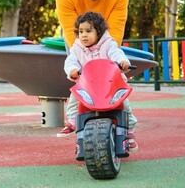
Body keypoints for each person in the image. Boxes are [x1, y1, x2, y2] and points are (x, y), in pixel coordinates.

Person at [58, 11, 138, 152]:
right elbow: (70, 62)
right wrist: (72, 70)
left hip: (110, 83)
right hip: (88, 84)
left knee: (124, 103)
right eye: (81, 31)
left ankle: (128, 129)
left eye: (88, 31)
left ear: (99, 32)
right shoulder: (77, 48)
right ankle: (72, 122)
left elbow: (117, 54)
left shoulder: (108, 44)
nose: (83, 35)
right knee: (74, 98)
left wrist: (123, 62)